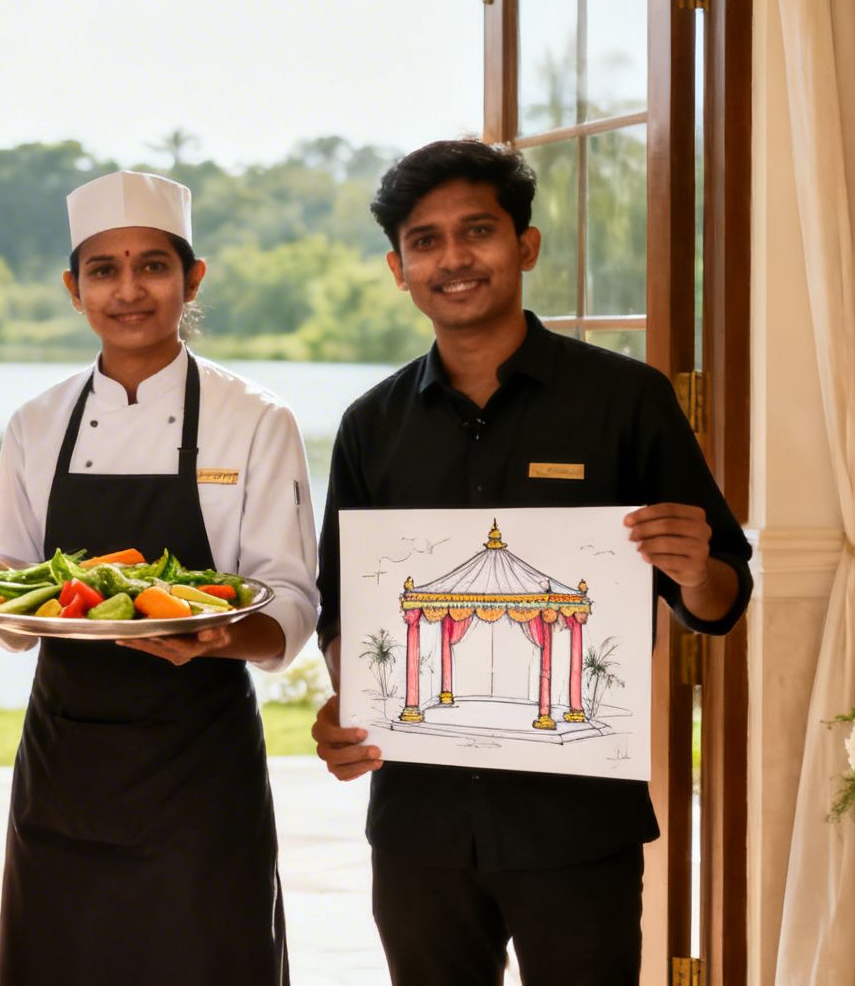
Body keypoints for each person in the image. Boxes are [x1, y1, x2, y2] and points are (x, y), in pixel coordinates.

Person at [310, 139, 753, 986]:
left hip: (577, 824)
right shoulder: (371, 425)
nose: (454, 258)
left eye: (477, 231)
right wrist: (353, 702)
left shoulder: (627, 400)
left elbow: (722, 596)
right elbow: (346, 610)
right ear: (399, 268)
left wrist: (694, 567)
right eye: (425, 241)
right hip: (419, 826)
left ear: (526, 245)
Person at [0, 170, 317, 984]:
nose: (129, 290)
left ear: (191, 279)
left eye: (153, 266)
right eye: (103, 269)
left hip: (199, 768)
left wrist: (218, 636)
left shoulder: (255, 419)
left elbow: (292, 599)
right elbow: (12, 606)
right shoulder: (36, 423)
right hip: (65, 767)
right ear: (73, 288)